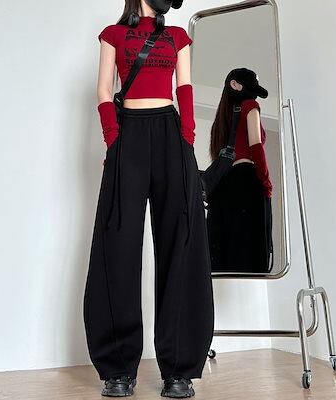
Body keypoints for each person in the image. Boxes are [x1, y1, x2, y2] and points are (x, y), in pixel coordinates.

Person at [83, 0, 214, 397]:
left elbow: (184, 88)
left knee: (181, 241)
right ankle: (118, 369)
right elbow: (104, 89)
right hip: (128, 135)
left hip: (171, 136)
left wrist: (187, 138)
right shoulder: (114, 35)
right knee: (118, 242)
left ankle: (179, 369)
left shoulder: (177, 36)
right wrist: (113, 138)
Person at [206, 68, 273, 273]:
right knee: (249, 250)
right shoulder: (250, 106)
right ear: (234, 84)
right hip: (246, 181)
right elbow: (256, 146)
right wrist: (265, 181)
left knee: (225, 249)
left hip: (223, 187)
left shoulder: (222, 120)